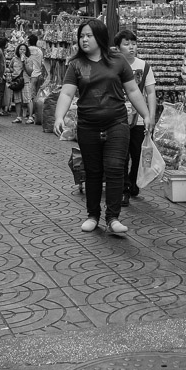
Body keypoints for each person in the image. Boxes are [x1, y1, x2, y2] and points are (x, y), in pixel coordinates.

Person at [53, 19, 153, 234]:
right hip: (87, 125)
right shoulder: (76, 64)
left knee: (115, 168)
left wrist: (146, 115)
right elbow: (67, 93)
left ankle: (113, 217)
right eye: (81, 36)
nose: (84, 39)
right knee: (93, 171)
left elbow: (133, 90)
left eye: (89, 35)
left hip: (117, 123)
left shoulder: (118, 60)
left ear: (99, 37)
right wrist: (59, 117)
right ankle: (93, 215)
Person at [114, 29, 156, 207]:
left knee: (138, 155)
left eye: (133, 43)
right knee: (121, 156)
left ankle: (132, 182)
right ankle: (124, 190)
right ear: (118, 47)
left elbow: (151, 92)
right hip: (118, 118)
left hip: (139, 119)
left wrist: (151, 116)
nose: (131, 47)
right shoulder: (113, 65)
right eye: (126, 44)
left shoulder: (144, 66)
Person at [9, 43, 30, 124]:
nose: (22, 51)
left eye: (24, 50)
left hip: (25, 80)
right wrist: (13, 72)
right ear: (18, 50)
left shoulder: (28, 60)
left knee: (27, 99)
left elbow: (30, 72)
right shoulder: (14, 59)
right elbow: (10, 67)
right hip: (16, 80)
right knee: (17, 99)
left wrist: (24, 62)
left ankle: (30, 116)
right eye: (21, 49)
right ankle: (18, 117)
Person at [26, 34, 44, 124]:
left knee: (30, 95)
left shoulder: (27, 50)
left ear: (29, 41)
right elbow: (42, 63)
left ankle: (31, 114)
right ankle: (36, 113)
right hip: (39, 74)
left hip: (31, 75)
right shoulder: (40, 51)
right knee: (37, 95)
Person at [0, 37, 10, 116]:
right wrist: (1, 75)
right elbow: (1, 65)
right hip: (0, 75)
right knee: (0, 92)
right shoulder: (1, 52)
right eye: (7, 43)